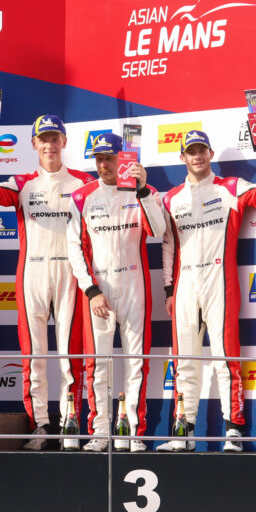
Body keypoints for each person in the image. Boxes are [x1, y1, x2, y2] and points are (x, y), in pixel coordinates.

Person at [159, 127, 256, 452]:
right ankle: (183, 432)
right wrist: (169, 290)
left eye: (202, 150)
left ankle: (233, 429)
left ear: (210, 154)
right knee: (184, 361)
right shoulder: (171, 199)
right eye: (191, 151)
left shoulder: (230, 187)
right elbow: (168, 245)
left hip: (219, 281)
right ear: (182, 157)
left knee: (224, 358)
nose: (197, 156)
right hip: (185, 286)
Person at [0, 115, 92, 450]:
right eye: (43, 139)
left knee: (70, 356)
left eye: (55, 138)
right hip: (33, 275)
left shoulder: (83, 182)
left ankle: (70, 423)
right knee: (34, 356)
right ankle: (40, 425)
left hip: (70, 275)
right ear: (33, 144)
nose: (50, 145)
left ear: (64, 142)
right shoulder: (22, 182)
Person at [66, 133, 165, 452]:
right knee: (98, 364)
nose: (103, 164)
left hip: (135, 284)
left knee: (137, 362)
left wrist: (143, 191)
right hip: (100, 289)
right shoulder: (81, 196)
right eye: (98, 158)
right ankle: (100, 431)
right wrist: (91, 290)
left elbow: (158, 231)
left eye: (109, 158)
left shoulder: (143, 191)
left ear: (123, 157)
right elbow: (74, 249)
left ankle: (133, 433)